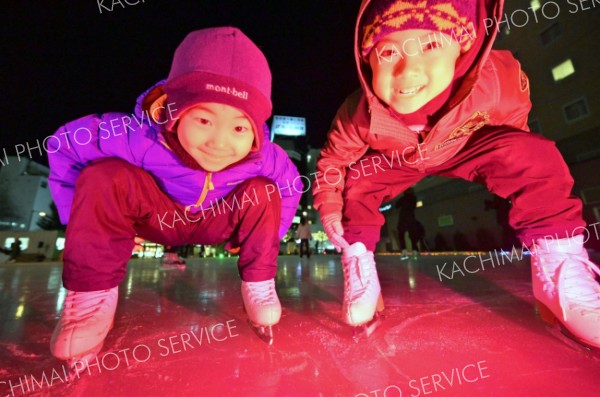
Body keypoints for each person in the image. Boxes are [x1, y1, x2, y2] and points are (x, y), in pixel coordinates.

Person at [313, 0, 600, 347]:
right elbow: (333, 162)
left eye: (431, 45)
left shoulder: (496, 80)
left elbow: (516, 133)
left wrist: (514, 179)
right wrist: (330, 207)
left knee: (532, 155)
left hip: (464, 142)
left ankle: (558, 269)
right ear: (366, 60)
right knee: (358, 181)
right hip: (399, 156)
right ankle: (359, 263)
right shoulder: (358, 113)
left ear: (461, 49)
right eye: (387, 53)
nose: (407, 70)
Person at [48, 27, 301, 364]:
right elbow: (63, 146)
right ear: (175, 109)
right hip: (154, 217)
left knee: (264, 191)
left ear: (255, 130)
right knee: (104, 175)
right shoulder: (136, 136)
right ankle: (89, 301)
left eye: (240, 127)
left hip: (216, 221)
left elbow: (291, 186)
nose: (220, 143)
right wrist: (85, 222)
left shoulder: (263, 156)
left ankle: (259, 284)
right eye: (204, 119)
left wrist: (265, 236)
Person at [395, 188, 422, 256]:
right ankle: (414, 250)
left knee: (401, 234)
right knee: (412, 235)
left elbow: (396, 206)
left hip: (403, 218)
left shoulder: (403, 198)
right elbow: (414, 207)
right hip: (411, 218)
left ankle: (404, 250)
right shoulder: (413, 198)